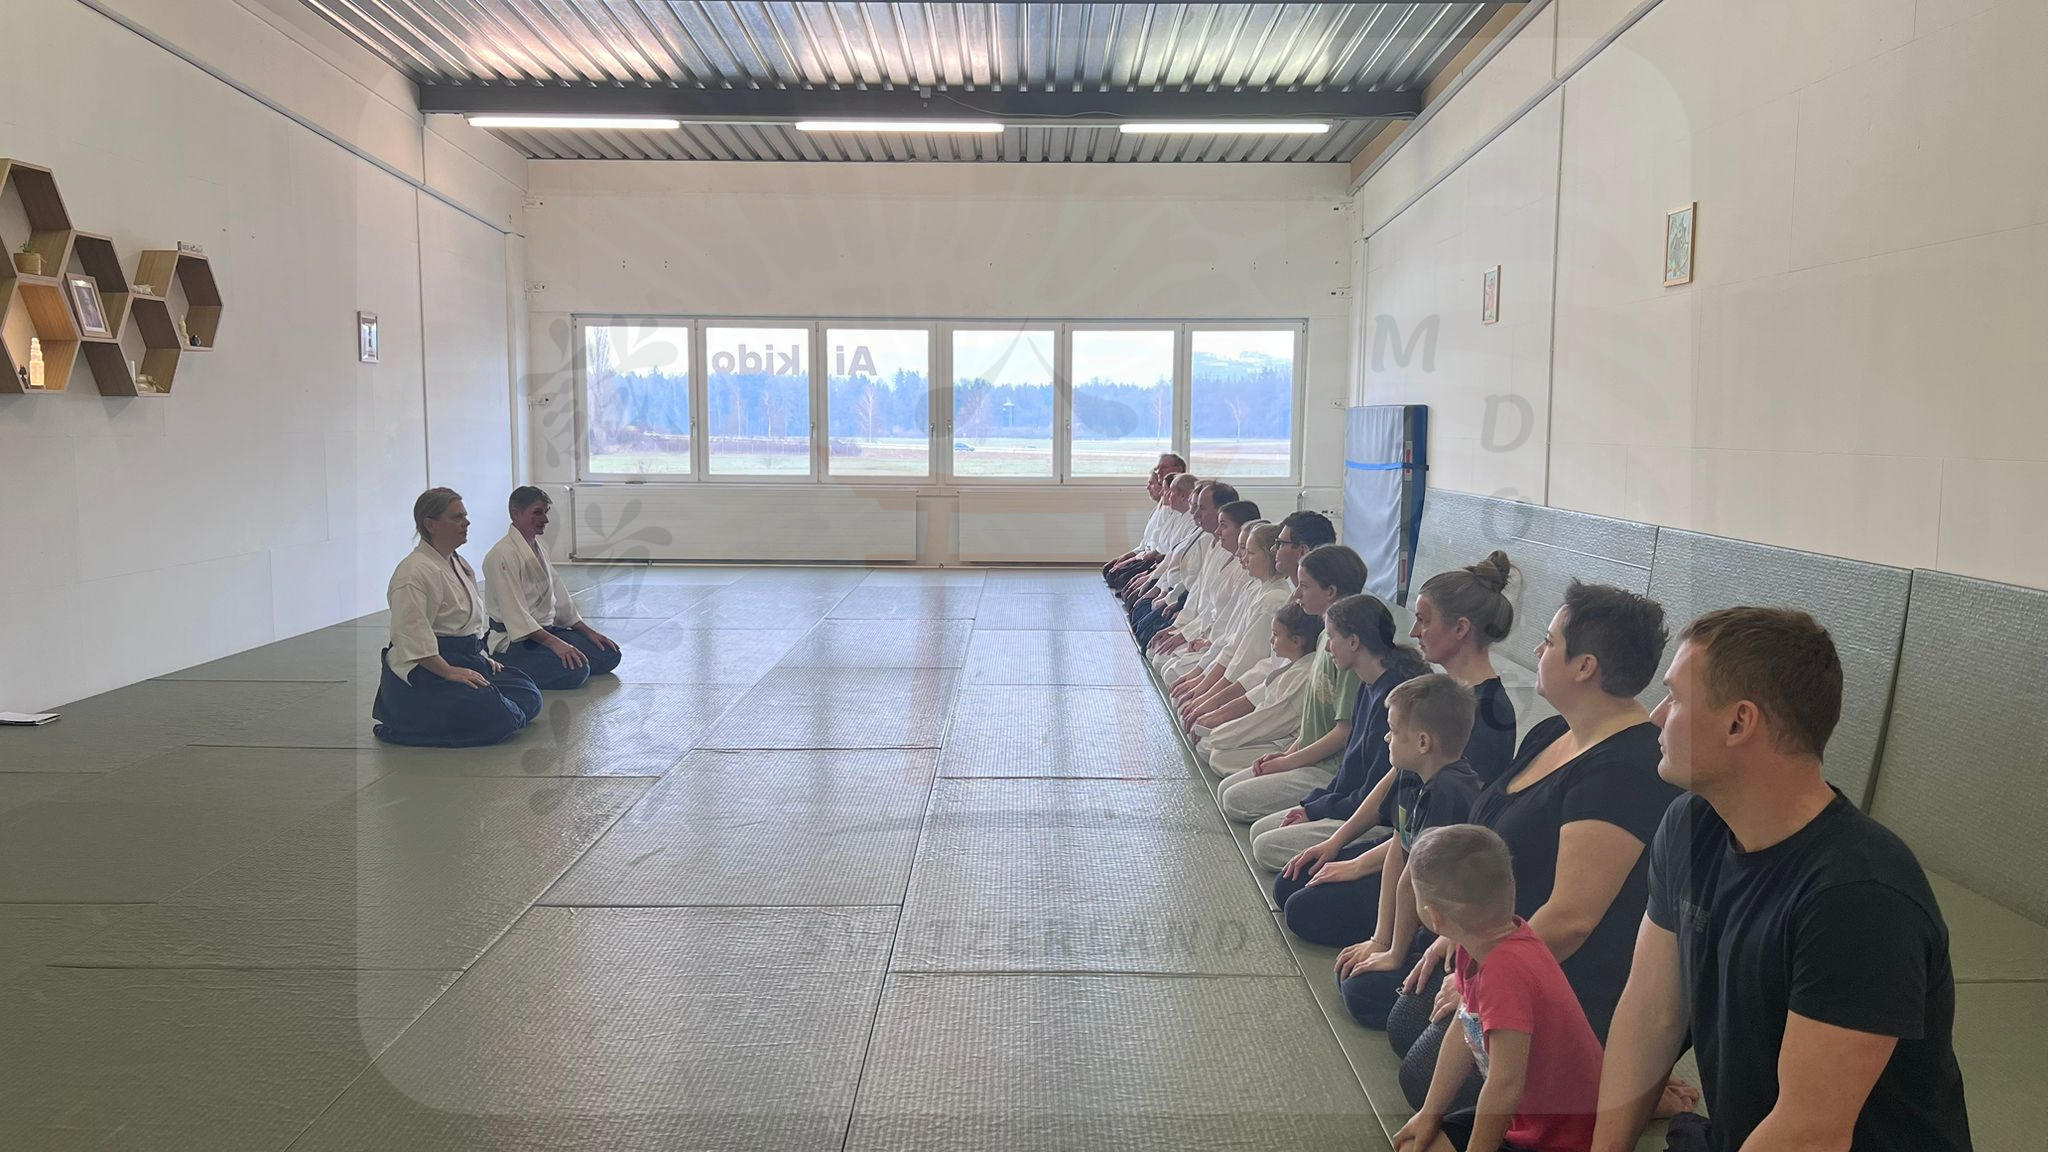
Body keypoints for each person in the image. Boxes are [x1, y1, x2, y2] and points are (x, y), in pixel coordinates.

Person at [1593, 609, 1972, 1152]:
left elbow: (1809, 1133)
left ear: (1738, 723)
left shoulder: (1858, 899)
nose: (1656, 716)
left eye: (1674, 697)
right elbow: (1651, 1016)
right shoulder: (1689, 825)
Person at [1388, 582, 1681, 1118]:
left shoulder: (1624, 771)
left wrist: (1482, 980)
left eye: (1550, 641)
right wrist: (1460, 934)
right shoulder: (1550, 733)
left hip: (1567, 976)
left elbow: (1571, 919)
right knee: (1402, 1019)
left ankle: (1611, 1080)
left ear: (1585, 667)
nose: (1538, 651)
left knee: (1422, 1078)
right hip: (1502, 938)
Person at [1288, 675, 1486, 1030]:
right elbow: (1399, 847)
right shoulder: (1411, 774)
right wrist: (1380, 939)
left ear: (1423, 742)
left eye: (1393, 731)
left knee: (1361, 993)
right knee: (1309, 916)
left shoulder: (1450, 791)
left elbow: (1413, 877)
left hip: (1447, 925)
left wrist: (1395, 952)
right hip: (1421, 910)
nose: (1386, 737)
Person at [1394, 825, 1605, 1152]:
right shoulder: (1479, 945)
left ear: (1435, 918)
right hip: (1522, 1118)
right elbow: (1464, 1027)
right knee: (1412, 1145)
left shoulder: (1505, 974)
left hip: (1559, 1137)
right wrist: (1429, 1113)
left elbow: (1505, 1085)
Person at [1258, 593, 1429, 878]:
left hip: (1374, 820)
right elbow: (1349, 772)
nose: (1327, 648)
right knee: (1262, 832)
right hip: (1350, 802)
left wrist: (1320, 810)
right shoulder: (1368, 685)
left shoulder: (1391, 696)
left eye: (1331, 638)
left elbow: (1373, 791)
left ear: (1353, 642)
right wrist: (1312, 805)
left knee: (1266, 846)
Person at [371, 487, 542, 747]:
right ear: (431, 524)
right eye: (457, 517)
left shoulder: (457, 563)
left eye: (465, 516)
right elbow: (411, 636)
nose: (466, 522)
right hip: (425, 668)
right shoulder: (413, 573)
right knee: (499, 716)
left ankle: (496, 710)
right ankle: (404, 726)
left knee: (528, 693)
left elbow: (470, 624)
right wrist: (448, 671)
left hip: (464, 656)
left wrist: (482, 656)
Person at [1214, 544, 1368, 828]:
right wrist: (1288, 755)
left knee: (1236, 800)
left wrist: (1289, 763)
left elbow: (1344, 731)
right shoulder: (1324, 637)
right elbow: (1313, 722)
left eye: (1305, 586)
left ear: (1331, 592)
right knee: (1226, 788)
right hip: (1306, 755)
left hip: (1330, 769)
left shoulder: (1348, 647)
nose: (1296, 594)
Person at [1172, 510, 1333, 721]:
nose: (1274, 549)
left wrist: (1213, 703)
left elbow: (1257, 664)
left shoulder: (1285, 603)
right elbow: (1238, 646)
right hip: (1261, 688)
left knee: (1206, 733)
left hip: (1279, 703)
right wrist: (1207, 695)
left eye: (1280, 544)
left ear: (1301, 550)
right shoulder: (1286, 597)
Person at [484, 486, 621, 690]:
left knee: (609, 655)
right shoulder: (501, 555)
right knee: (576, 671)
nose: (545, 519)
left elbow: (559, 596)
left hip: (545, 632)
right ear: (516, 513)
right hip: (515, 640)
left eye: (546, 512)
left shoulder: (539, 547)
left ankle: (548, 657)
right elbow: (516, 616)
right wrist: (557, 644)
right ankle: (503, 664)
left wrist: (587, 631)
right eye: (538, 512)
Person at [1409, 552, 1521, 786]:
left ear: (1460, 628)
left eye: (1423, 620)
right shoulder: (1447, 695)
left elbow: (1463, 799)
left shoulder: (1490, 713)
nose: (1414, 632)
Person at [1192, 603, 1321, 776]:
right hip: (1270, 727)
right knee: (1209, 745)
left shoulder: (1304, 673)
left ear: (1296, 641)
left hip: (1285, 739)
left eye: (1276, 635)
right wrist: (1218, 722)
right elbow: (1261, 702)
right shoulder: (1294, 663)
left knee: (1216, 754)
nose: (1271, 640)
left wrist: (1218, 735)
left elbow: (1270, 721)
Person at [1162, 520, 1284, 688]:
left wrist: (1206, 689)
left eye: (1248, 551)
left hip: (1241, 675)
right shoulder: (1253, 586)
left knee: (1172, 674)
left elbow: (1245, 657)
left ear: (1270, 555)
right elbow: (1228, 632)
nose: (1241, 556)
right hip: (1218, 646)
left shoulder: (1272, 599)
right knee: (1168, 666)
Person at [1148, 498, 1258, 661]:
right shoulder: (1219, 550)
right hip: (1201, 626)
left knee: (1162, 659)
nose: (1218, 531)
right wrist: (1179, 628)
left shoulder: (1246, 570)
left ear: (1241, 529)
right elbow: (1199, 594)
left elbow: (1226, 618)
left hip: (1216, 637)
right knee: (1154, 648)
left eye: (1223, 525)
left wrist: (1202, 640)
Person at [1105, 453, 1188, 590]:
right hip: (1149, 556)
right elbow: (1146, 543)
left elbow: (1162, 550)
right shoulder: (1163, 504)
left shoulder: (1180, 509)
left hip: (1158, 559)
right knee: (1110, 571)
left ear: (1179, 469)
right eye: (1157, 468)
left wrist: (1146, 571)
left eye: (1164, 467)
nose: (1159, 471)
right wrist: (1128, 557)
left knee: (1120, 578)